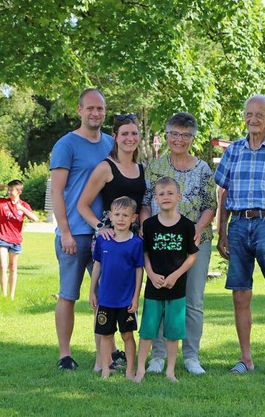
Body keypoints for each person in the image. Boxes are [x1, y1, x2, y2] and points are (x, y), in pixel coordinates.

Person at [214, 94, 265, 378]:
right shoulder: (233, 150)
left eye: (260, 114)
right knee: (240, 294)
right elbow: (222, 192)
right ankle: (245, 358)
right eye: (249, 114)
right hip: (238, 225)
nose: (253, 119)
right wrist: (221, 230)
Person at [140, 112, 217, 375]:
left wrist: (194, 229)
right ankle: (158, 356)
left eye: (185, 135)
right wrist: (145, 229)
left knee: (192, 300)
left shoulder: (203, 168)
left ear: (193, 138)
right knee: (160, 296)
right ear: (167, 135)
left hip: (195, 241)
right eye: (174, 134)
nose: (179, 139)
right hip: (161, 242)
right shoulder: (155, 167)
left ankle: (191, 356)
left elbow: (210, 206)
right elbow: (144, 204)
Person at [49, 88, 114, 371]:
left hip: (105, 234)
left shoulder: (111, 143)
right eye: (90, 108)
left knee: (106, 294)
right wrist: (64, 231)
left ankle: (107, 352)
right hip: (75, 233)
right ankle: (65, 354)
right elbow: (57, 191)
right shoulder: (66, 144)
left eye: (100, 108)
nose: (95, 113)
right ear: (79, 111)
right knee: (69, 294)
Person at [77, 112, 145, 372]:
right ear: (115, 137)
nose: (130, 138)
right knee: (104, 296)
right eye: (124, 133)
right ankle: (100, 360)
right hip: (109, 238)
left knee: (127, 295)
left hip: (133, 239)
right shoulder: (106, 167)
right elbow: (82, 205)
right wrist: (100, 227)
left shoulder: (141, 168)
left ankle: (122, 355)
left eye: (134, 133)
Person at [134, 177, 198, 383]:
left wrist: (175, 275)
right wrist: (151, 275)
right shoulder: (150, 225)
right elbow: (144, 254)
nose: (166, 197)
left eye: (170, 193)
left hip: (176, 288)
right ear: (155, 199)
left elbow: (192, 256)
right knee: (147, 331)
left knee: (173, 332)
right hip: (154, 288)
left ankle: (170, 370)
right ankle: (141, 370)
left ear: (179, 196)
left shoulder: (187, 226)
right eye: (161, 194)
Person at [89, 196, 144, 380]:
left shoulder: (136, 243)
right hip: (105, 299)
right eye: (117, 214)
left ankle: (130, 370)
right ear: (110, 216)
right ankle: (105, 368)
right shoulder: (103, 241)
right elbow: (97, 266)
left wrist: (136, 297)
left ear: (133, 218)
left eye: (125, 215)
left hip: (126, 300)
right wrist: (92, 292)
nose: (121, 219)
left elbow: (139, 271)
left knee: (127, 335)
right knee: (105, 335)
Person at [0, 180, 39, 300]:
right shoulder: (2, 202)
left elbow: (35, 219)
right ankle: (3, 295)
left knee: (13, 267)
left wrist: (22, 209)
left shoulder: (24, 205)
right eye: (8, 189)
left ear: (19, 191)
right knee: (3, 266)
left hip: (16, 240)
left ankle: (11, 295)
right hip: (2, 238)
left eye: (11, 189)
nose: (8, 191)